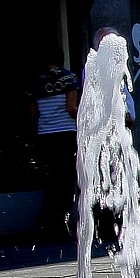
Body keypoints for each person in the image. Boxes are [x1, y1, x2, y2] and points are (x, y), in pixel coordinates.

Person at [33, 54, 79, 234]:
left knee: (53, 178)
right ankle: (59, 221)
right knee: (66, 179)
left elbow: (33, 112)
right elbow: (71, 107)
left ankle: (48, 219)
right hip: (65, 133)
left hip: (45, 133)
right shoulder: (69, 78)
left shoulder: (36, 81)